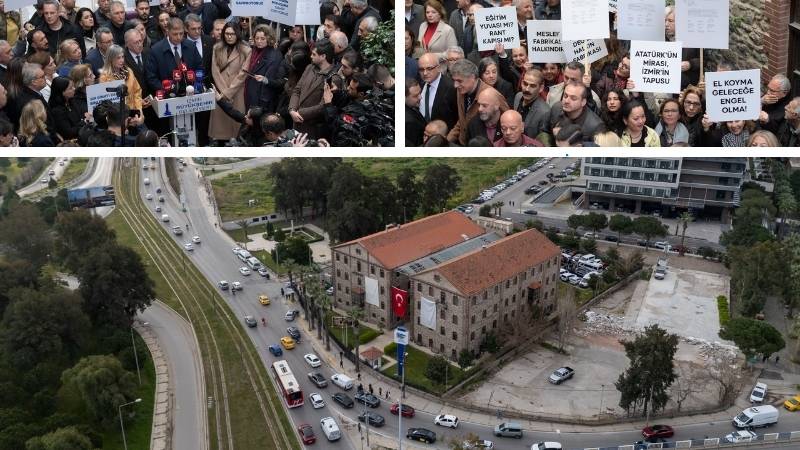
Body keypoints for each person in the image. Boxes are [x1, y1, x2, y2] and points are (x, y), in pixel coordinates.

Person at [288, 38, 335, 140]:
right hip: (296, 122)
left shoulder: (333, 77)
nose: (310, 56)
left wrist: (299, 113)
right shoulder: (309, 67)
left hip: (313, 127)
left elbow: (323, 105)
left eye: (314, 54)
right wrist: (292, 109)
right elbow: (297, 90)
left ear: (323, 56)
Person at [145, 17, 202, 94]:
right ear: (167, 31)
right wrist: (166, 89)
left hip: (191, 93)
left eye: (181, 33)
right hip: (168, 96)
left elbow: (199, 67)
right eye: (175, 34)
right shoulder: (156, 50)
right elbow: (151, 77)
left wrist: (196, 84)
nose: (179, 37)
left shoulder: (191, 46)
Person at [245, 25, 286, 113]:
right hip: (250, 95)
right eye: (257, 38)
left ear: (269, 39)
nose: (259, 41)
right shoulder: (252, 50)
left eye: (263, 39)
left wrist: (266, 80)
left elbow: (279, 82)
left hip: (263, 101)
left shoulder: (275, 55)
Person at [99, 44, 143, 116]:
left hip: (133, 112)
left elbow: (137, 92)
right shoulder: (104, 77)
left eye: (122, 57)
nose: (122, 60)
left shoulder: (129, 71)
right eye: (118, 58)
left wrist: (139, 111)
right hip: (117, 117)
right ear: (111, 59)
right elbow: (106, 103)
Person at [514, 69, 551, 145]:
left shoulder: (545, 112)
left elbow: (542, 142)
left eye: (532, 86)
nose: (527, 89)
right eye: (525, 84)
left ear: (540, 88)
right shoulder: (518, 96)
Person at [405, 77, 426, 146]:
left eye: (420, 93)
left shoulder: (411, 106)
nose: (420, 97)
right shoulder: (409, 122)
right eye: (415, 96)